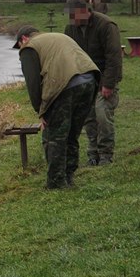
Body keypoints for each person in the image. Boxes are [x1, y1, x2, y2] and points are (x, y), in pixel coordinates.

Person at [13, 26, 100, 189]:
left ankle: (56, 182)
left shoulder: (29, 47)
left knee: (54, 136)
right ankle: (68, 176)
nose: (20, 49)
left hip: (65, 86)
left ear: (23, 39)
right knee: (72, 134)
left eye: (19, 45)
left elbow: (33, 83)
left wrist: (41, 111)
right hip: (89, 81)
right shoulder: (57, 37)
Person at [64, 0, 122, 166]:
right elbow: (69, 56)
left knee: (102, 115)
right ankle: (93, 153)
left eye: (74, 16)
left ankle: (106, 154)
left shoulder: (106, 26)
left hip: (104, 78)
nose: (72, 20)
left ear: (84, 11)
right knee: (88, 118)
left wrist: (108, 84)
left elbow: (114, 57)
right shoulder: (70, 29)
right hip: (84, 81)